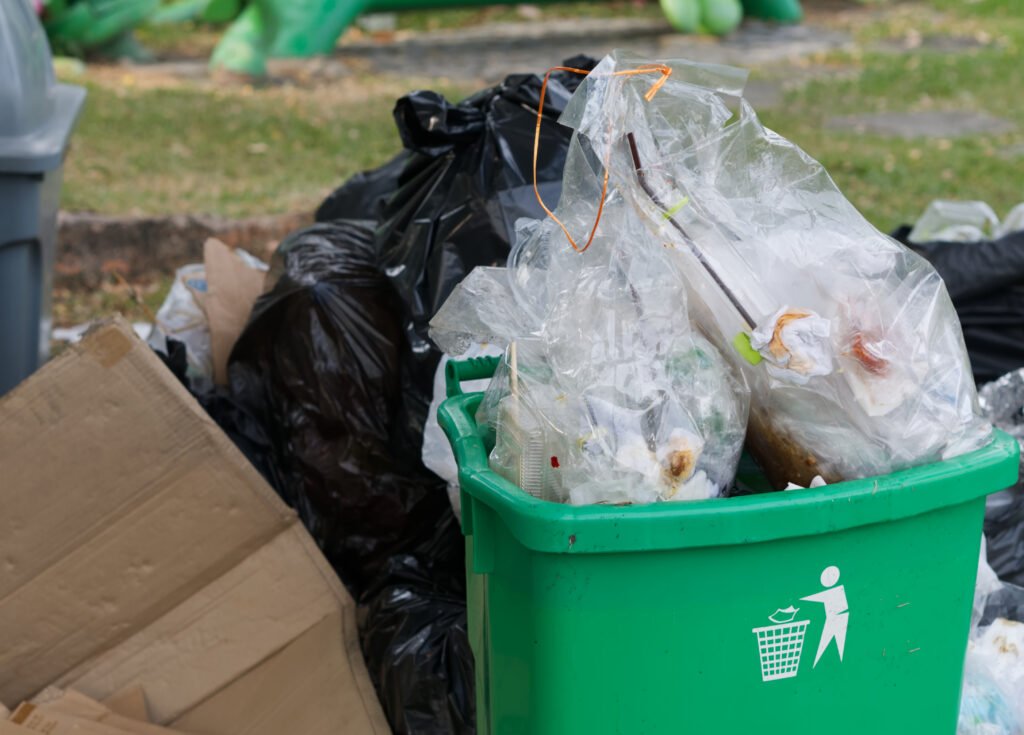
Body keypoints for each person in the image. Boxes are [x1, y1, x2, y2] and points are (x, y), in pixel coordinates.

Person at [801, 565, 849, 667]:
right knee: (827, 647)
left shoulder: (838, 590)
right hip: (835, 616)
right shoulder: (837, 590)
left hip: (838, 617)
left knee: (834, 645)